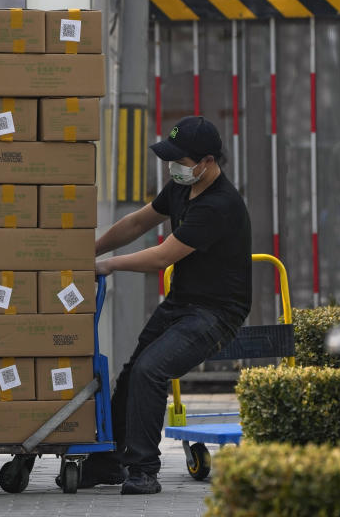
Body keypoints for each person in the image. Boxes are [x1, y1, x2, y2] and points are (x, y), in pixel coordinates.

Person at [81, 115, 252, 494]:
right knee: (130, 376)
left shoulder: (219, 205)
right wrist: (87, 249)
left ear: (206, 162)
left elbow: (162, 257)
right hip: (183, 302)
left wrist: (105, 265)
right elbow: (137, 223)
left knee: (150, 371)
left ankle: (143, 470)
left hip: (217, 312)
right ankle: (110, 461)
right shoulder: (179, 188)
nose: (172, 167)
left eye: (180, 161)